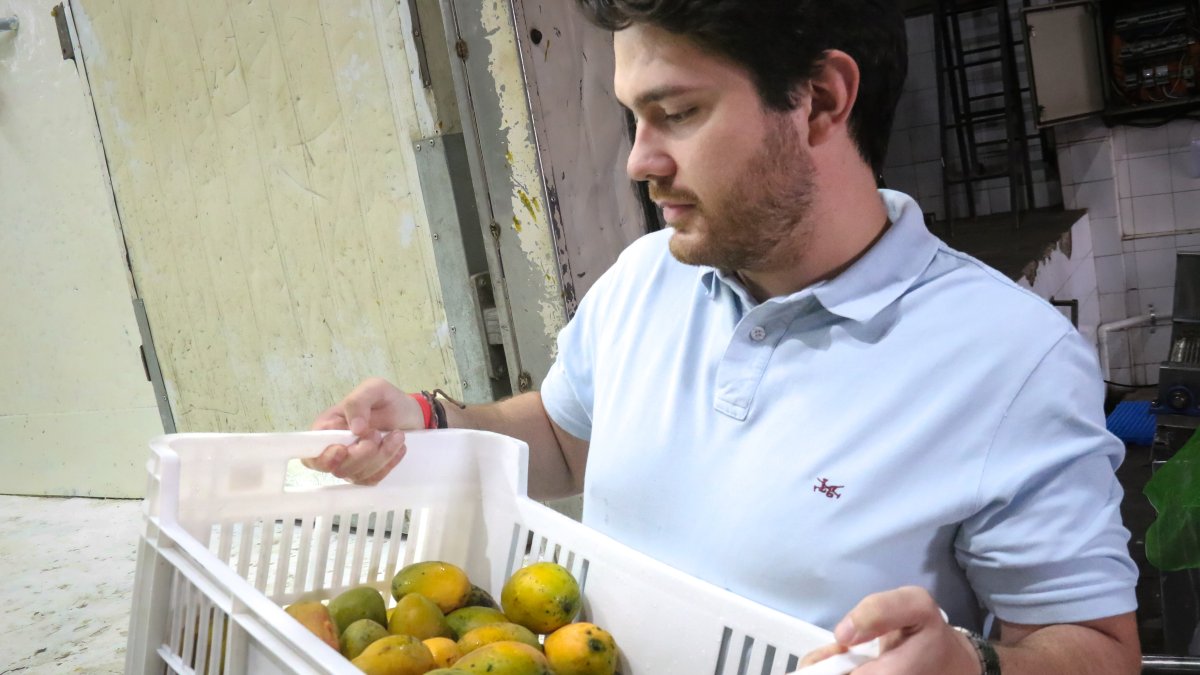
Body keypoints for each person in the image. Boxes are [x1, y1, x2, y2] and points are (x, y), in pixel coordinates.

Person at [307, 1, 1142, 672]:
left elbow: (1099, 648)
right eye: (633, 117)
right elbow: (568, 437)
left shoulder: (1010, 358)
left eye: (676, 113)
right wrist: (435, 417)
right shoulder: (644, 277)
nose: (639, 160)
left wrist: (973, 665)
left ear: (821, 100)